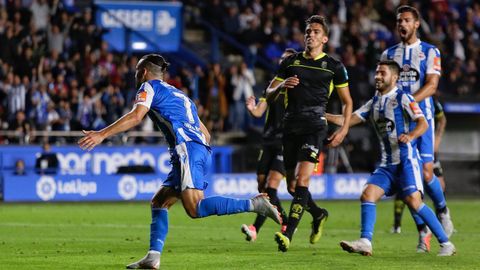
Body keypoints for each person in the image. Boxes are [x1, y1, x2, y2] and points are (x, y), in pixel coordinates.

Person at [78, 54, 281, 269]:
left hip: (187, 149)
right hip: (196, 149)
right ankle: (153, 257)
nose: (136, 75)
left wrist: (101, 134)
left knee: (195, 208)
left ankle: (254, 204)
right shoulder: (181, 95)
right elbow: (206, 134)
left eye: (138, 71)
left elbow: (136, 116)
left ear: (144, 72)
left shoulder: (148, 88)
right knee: (160, 201)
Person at [326, 60, 455, 256]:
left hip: (406, 161)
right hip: (387, 164)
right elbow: (348, 119)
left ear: (394, 77)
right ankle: (365, 242)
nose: (377, 76)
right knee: (368, 194)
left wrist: (411, 136)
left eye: (382, 73)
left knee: (414, 201)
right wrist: (322, 114)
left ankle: (446, 244)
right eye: (376, 72)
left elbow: (423, 123)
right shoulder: (374, 102)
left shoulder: (403, 98)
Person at [266, 15, 353, 252]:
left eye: (315, 31)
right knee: (293, 187)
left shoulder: (334, 67)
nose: (310, 35)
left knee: (303, 180)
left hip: (315, 127)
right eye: (307, 31)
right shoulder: (290, 63)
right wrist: (281, 86)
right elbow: (269, 92)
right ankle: (318, 214)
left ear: (324, 38)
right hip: (290, 126)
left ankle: (288, 234)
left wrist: (343, 130)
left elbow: (347, 102)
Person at [380, 5, 454, 251]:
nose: (402, 24)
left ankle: (442, 210)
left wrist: (408, 103)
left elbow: (432, 86)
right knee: (406, 182)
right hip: (398, 122)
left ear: (416, 24)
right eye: (399, 21)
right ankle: (424, 233)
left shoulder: (429, 52)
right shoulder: (388, 54)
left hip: (423, 119)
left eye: (407, 20)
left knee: (426, 173)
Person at [240, 48, 296, 242]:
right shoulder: (271, 86)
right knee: (263, 187)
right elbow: (259, 112)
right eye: (282, 59)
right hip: (268, 140)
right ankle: (286, 221)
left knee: (272, 186)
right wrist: (251, 109)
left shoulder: (298, 86)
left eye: (287, 59)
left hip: (286, 142)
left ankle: (256, 228)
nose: (283, 62)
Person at [391, 95, 448, 234]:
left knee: (438, 183)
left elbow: (442, 120)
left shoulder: (432, 102)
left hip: (427, 146)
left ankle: (442, 213)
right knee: (406, 188)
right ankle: (399, 224)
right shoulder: (399, 100)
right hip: (409, 147)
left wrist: (438, 139)